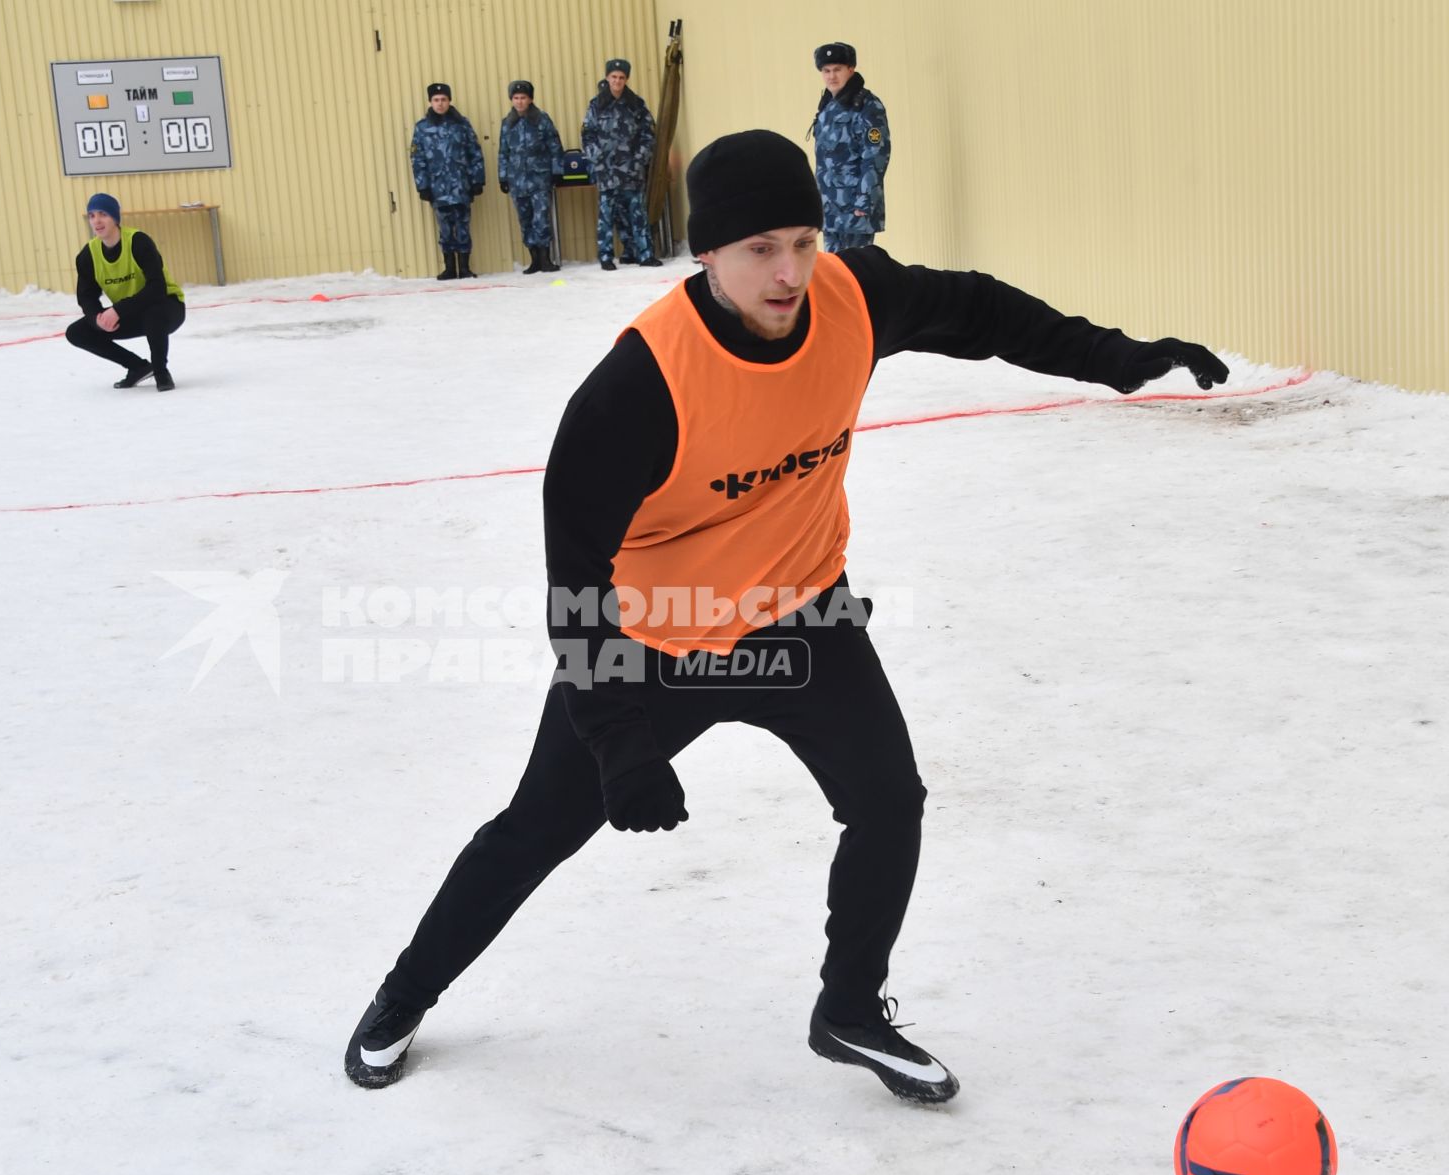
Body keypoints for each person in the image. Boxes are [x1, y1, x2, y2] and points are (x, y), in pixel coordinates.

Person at [344, 129, 1229, 1102]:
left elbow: (977, 310)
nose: (788, 271)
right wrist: (621, 744)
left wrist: (1116, 358)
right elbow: (577, 586)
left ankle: (849, 1008)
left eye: (803, 241)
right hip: (656, 637)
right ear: (709, 255)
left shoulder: (851, 299)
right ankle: (403, 994)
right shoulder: (638, 388)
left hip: (804, 615)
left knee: (889, 801)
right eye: (760, 249)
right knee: (535, 829)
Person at [65, 193, 185, 391]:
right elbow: (86, 297)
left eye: (103, 214)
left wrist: (118, 310)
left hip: (167, 307)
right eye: (92, 215)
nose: (97, 220)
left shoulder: (138, 242)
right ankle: (138, 367)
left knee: (154, 312)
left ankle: (161, 371)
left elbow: (157, 288)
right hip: (130, 312)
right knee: (76, 332)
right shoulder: (88, 255)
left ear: (115, 218)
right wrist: (97, 318)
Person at [581, 59, 661, 270]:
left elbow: (648, 134)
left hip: (632, 170)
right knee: (606, 216)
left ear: (626, 79)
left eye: (621, 77)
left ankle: (645, 254)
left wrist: (639, 159)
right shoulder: (596, 105)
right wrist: (596, 157)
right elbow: (587, 135)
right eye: (613, 77)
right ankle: (606, 257)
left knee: (638, 214)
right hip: (606, 171)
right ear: (607, 78)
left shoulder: (636, 104)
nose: (617, 81)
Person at [810, 42, 890, 252]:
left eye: (837, 70)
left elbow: (875, 156)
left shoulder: (867, 106)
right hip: (831, 208)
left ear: (851, 69)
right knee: (833, 271)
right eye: (826, 71)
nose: (831, 76)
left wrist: (865, 201)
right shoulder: (827, 106)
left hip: (855, 208)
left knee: (856, 272)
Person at [410, 83, 485, 280]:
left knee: (463, 225)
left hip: (461, 185)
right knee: (444, 228)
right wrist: (422, 185)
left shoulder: (462, 124)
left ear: (449, 101)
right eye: (436, 100)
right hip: (438, 187)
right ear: (430, 102)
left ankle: (464, 267)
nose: (440, 104)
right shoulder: (422, 127)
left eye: (443, 99)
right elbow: (418, 159)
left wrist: (478, 180)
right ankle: (449, 268)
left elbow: (475, 152)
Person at [497, 80, 564, 274]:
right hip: (517, 180)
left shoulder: (542, 120)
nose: (519, 102)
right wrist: (503, 177)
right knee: (525, 219)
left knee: (541, 218)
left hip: (539, 178)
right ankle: (534, 259)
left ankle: (545, 259)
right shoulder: (507, 123)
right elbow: (503, 152)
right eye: (516, 98)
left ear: (530, 99)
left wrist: (557, 172)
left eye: (523, 98)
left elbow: (555, 147)